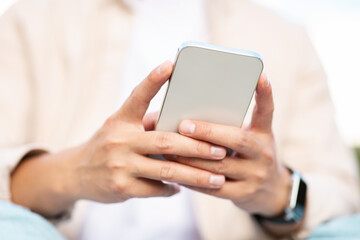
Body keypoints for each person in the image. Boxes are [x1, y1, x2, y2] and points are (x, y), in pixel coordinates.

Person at [0, 0, 359, 239]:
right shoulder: (30, 20)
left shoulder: (286, 37)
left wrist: (279, 191)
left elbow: (343, 196)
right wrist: (74, 171)